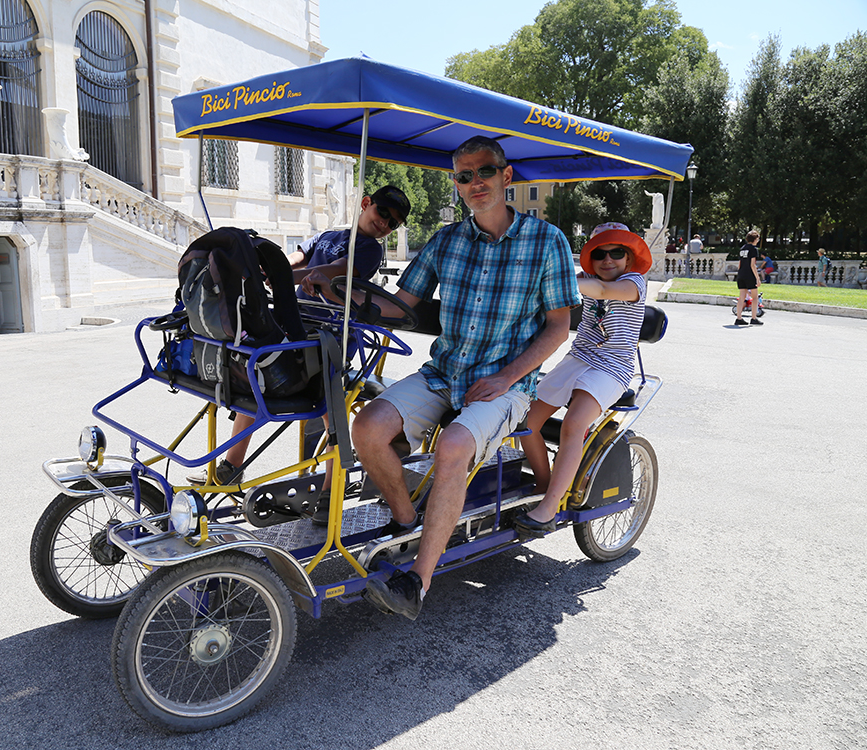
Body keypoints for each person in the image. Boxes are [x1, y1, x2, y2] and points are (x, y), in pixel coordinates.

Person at [311, 136, 579, 620]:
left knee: (454, 446)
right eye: (463, 175)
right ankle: (408, 519)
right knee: (366, 428)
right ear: (456, 185)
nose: (475, 183)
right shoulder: (447, 240)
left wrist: (507, 377)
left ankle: (418, 580)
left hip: (508, 383)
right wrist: (341, 293)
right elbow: (400, 306)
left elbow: (558, 326)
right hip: (444, 372)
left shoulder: (547, 242)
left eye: (484, 172)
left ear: (506, 176)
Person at [185, 185, 411, 499]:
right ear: (366, 203)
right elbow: (298, 255)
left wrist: (280, 277)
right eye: (383, 212)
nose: (385, 223)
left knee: (328, 405)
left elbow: (334, 273)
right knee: (255, 376)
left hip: (330, 335)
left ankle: (335, 482)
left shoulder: (371, 249)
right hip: (297, 324)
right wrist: (269, 266)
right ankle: (231, 468)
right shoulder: (332, 235)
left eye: (394, 223)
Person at [515, 223, 649, 536]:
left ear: (629, 259)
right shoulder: (585, 280)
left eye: (617, 252)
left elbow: (602, 293)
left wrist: (559, 280)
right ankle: (546, 486)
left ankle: (549, 508)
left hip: (613, 366)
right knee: (524, 421)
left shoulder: (634, 283)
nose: (608, 259)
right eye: (599, 252)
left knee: (574, 424)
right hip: (578, 357)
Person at [734, 230, 763, 326]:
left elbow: (740, 263)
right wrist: (757, 278)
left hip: (741, 274)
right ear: (755, 239)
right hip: (749, 275)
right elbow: (752, 265)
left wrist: (739, 273)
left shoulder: (742, 248)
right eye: (757, 239)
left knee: (742, 296)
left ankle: (739, 318)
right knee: (755, 297)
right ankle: (753, 318)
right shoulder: (753, 249)